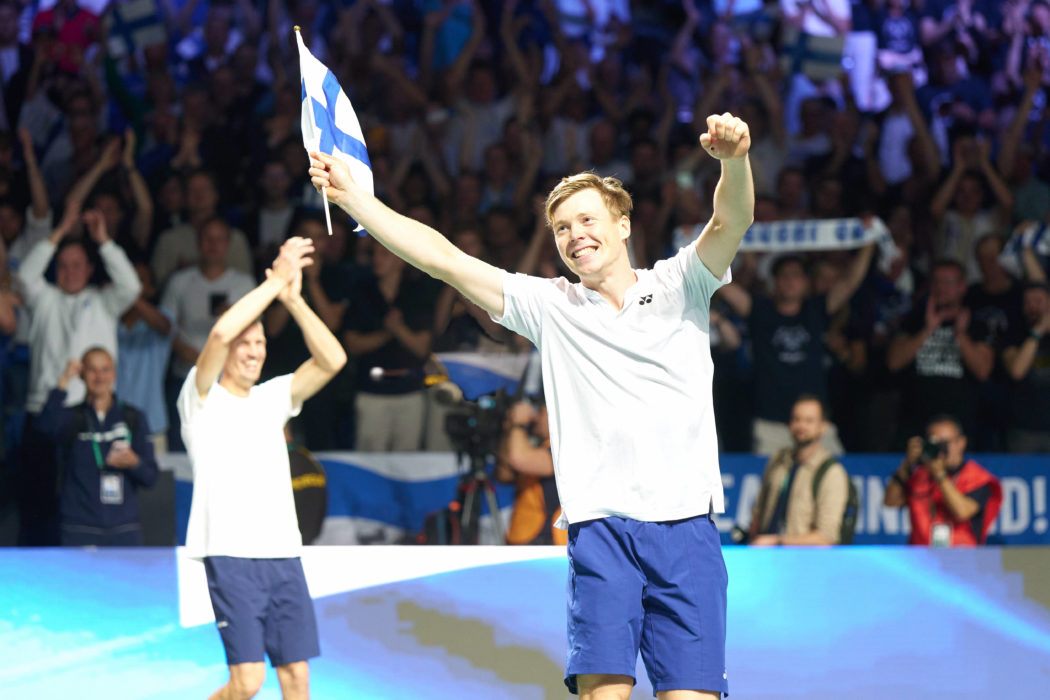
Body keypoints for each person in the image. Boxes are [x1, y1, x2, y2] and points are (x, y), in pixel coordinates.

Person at [311, 110, 754, 700]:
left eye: (588, 220)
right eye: (563, 228)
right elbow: (445, 260)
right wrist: (357, 202)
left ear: (623, 226)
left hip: (685, 531)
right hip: (601, 531)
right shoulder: (550, 305)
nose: (575, 235)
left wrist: (734, 160)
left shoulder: (682, 283)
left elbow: (731, 219)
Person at [178, 236, 346, 700]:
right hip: (231, 555)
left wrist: (293, 300)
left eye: (261, 343)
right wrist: (274, 281)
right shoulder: (200, 396)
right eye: (245, 344)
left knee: (297, 679)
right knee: (248, 682)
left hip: (283, 555)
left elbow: (333, 359)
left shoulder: (274, 396)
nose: (253, 351)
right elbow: (218, 334)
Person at [16, 206, 140, 545]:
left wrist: (103, 242)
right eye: (63, 265)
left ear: (88, 269)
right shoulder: (44, 299)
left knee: (83, 501)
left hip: (89, 416)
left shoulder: (103, 301)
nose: (70, 271)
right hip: (45, 411)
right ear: (56, 270)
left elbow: (130, 286)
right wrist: (57, 233)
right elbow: (25, 277)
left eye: (77, 264)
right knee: (37, 502)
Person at [36, 348, 157, 546]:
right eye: (92, 370)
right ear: (82, 375)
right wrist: (63, 381)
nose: (99, 376)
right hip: (79, 527)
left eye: (105, 369)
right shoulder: (71, 417)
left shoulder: (132, 417)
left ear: (114, 374)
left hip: (124, 528)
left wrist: (134, 462)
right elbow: (43, 427)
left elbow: (150, 477)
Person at [883, 414, 1003, 547]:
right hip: (919, 558)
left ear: (961, 442)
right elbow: (891, 502)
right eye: (935, 443)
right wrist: (907, 464)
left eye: (945, 443)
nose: (941, 449)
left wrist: (940, 475)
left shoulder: (977, 477)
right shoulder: (919, 475)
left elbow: (962, 512)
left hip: (961, 559)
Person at [748, 395, 851, 546]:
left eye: (809, 421)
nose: (801, 426)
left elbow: (827, 537)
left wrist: (777, 541)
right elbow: (759, 511)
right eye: (796, 419)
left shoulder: (831, 472)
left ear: (823, 427)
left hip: (804, 562)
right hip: (764, 557)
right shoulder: (778, 460)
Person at [495, 395, 566, 546]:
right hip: (523, 536)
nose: (535, 417)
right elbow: (504, 474)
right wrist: (510, 429)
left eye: (541, 411)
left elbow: (519, 460)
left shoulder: (563, 449)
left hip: (546, 539)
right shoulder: (537, 448)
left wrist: (519, 424)